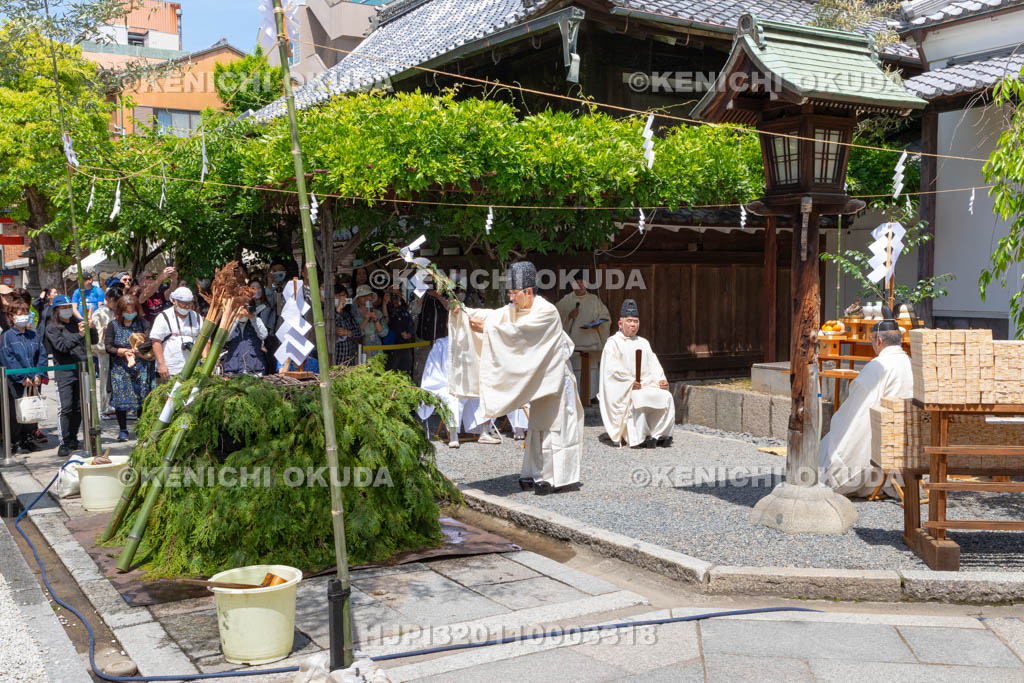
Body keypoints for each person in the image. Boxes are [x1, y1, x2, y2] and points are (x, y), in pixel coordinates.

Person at [450, 261, 582, 495]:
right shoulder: (515, 309)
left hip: (556, 379)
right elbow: (494, 316)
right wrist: (463, 311)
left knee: (554, 426)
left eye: (514, 294)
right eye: (510, 294)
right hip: (540, 379)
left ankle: (554, 477)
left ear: (528, 291)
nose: (511, 299)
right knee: (538, 426)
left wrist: (488, 330)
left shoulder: (547, 312)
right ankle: (534, 472)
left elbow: (521, 333)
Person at [820, 315, 913, 497]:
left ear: (879, 341)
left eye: (872, 341)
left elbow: (859, 401)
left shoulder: (879, 364)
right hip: (908, 434)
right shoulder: (910, 362)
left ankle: (860, 478)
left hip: (885, 429)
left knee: (835, 435)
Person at [598, 299, 675, 448]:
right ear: (620, 324)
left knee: (666, 396)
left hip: (647, 384)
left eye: (636, 321)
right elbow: (612, 371)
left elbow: (654, 365)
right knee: (639, 397)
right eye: (629, 321)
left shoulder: (643, 342)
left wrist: (661, 380)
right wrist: (630, 383)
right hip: (629, 388)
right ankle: (639, 436)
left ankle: (659, 434)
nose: (633, 325)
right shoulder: (612, 344)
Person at [44, 295, 97, 457]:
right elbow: (61, 347)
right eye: (63, 307)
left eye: (69, 307)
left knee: (79, 407)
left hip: (82, 370)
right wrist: (79, 335)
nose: (67, 310)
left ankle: (74, 438)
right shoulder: (52, 327)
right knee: (66, 407)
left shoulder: (77, 323)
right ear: (56, 310)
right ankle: (64, 442)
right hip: (64, 372)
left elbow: (93, 341)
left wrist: (91, 328)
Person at [105, 295, 155, 442]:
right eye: (127, 311)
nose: (130, 313)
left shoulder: (143, 323)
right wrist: (121, 351)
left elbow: (150, 340)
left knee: (142, 397)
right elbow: (108, 346)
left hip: (141, 366)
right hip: (121, 368)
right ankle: (123, 430)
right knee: (121, 399)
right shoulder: (113, 325)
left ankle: (141, 428)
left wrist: (137, 350)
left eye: (132, 310)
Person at [555, 270, 610, 402]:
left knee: (591, 371)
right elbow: (555, 317)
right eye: (576, 283)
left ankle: (592, 397)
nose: (579, 285)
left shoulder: (594, 300)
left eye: (581, 283)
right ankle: (576, 397)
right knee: (575, 371)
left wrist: (597, 324)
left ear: (586, 284)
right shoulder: (567, 300)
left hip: (590, 340)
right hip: (575, 343)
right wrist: (568, 316)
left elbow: (606, 317)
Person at [0, 301, 47, 453]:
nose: (23, 317)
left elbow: (42, 354)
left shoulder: (34, 335)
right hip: (16, 381)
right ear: (11, 317)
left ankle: (28, 438)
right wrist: (22, 376)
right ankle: (15, 441)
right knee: (16, 412)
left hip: (34, 380)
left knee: (31, 410)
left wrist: (39, 373)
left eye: (25, 314)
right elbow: (8, 357)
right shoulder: (7, 336)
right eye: (19, 315)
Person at [150, 287, 201, 380]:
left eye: (189, 303)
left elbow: (205, 340)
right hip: (170, 369)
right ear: (174, 301)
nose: (186, 306)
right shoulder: (163, 317)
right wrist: (161, 365)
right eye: (183, 303)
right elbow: (156, 341)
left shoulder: (196, 317)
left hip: (193, 369)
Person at [92, 287, 119, 418]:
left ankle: (116, 404)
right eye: (114, 300)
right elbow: (96, 333)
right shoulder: (99, 312)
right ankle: (105, 406)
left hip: (117, 349)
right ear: (108, 299)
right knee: (105, 378)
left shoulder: (117, 312)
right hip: (104, 349)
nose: (115, 303)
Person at [222, 303, 269, 376]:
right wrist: (236, 319)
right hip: (234, 369)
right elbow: (226, 338)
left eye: (246, 309)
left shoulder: (256, 320)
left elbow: (263, 335)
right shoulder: (230, 322)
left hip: (255, 369)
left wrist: (252, 318)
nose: (244, 312)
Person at [383, 284, 415, 377]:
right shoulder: (386, 308)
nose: (395, 296)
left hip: (405, 346)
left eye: (397, 293)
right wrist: (385, 303)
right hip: (391, 347)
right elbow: (386, 321)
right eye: (392, 293)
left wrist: (409, 334)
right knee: (391, 373)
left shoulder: (404, 310)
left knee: (405, 373)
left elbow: (411, 325)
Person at [249, 279, 279, 374]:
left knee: (270, 364)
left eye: (259, 288)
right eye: (253, 288)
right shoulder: (247, 306)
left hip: (269, 340)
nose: (257, 290)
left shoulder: (269, 303)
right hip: (253, 340)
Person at [354, 285, 388, 361]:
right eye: (363, 296)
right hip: (361, 351)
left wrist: (376, 319)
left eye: (368, 295)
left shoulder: (378, 313)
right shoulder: (354, 314)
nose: (366, 298)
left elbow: (384, 333)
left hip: (377, 351)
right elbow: (356, 334)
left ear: (372, 297)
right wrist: (366, 320)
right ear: (358, 299)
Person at [334, 287, 362, 367]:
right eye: (338, 296)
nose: (341, 299)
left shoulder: (348, 314)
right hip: (335, 359)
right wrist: (338, 309)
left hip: (349, 360)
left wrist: (347, 332)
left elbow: (358, 333)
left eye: (343, 296)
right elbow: (328, 330)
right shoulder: (327, 313)